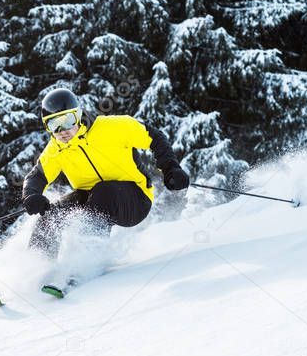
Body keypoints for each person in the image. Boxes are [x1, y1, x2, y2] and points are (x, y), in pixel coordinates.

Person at [21, 88, 191, 258]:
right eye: (53, 124)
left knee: (104, 190)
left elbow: (154, 137)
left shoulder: (112, 127)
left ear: (78, 115)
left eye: (67, 121)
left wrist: (171, 167)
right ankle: (37, 266)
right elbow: (37, 176)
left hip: (135, 199)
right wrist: (31, 195)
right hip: (91, 199)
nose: (62, 130)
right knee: (52, 213)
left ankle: (86, 263)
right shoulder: (56, 148)